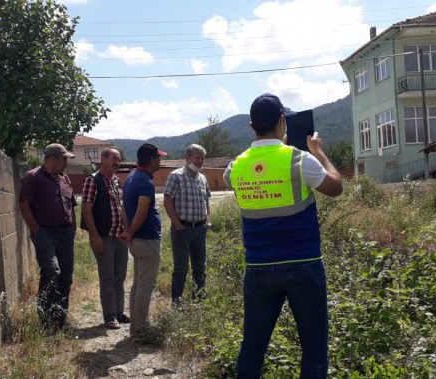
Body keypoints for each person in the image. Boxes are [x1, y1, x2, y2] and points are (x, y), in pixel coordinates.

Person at [223, 93, 343, 378]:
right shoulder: (300, 161)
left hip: (259, 269)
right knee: (313, 347)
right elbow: (336, 187)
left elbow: (250, 175)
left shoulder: (235, 167)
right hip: (304, 266)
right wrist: (319, 152)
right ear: (282, 121)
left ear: (252, 127)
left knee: (253, 345)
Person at [19, 143, 79, 331]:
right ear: (52, 159)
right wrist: (36, 230)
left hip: (66, 234)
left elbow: (71, 205)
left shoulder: (65, 178)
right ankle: (45, 320)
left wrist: (73, 227)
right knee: (52, 270)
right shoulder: (33, 177)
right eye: (64, 159)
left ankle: (60, 321)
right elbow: (23, 204)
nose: (66, 163)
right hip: (46, 233)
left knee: (66, 276)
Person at [81, 147, 131, 329]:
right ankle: (110, 315)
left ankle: (119, 312)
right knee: (107, 278)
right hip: (103, 237)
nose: (117, 162)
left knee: (120, 276)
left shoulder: (117, 182)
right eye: (113, 158)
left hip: (120, 238)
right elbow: (86, 209)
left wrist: (128, 231)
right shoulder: (93, 180)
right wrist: (94, 237)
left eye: (119, 159)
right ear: (103, 159)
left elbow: (122, 209)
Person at [122, 143, 167, 339]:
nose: (160, 161)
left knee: (137, 285)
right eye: (159, 158)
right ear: (152, 160)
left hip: (137, 240)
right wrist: (130, 231)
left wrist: (128, 231)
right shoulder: (146, 183)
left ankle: (135, 327)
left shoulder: (131, 177)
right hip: (146, 240)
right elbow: (141, 212)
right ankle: (141, 329)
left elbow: (124, 209)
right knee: (145, 287)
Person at [163, 144, 212, 306]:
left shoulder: (202, 178)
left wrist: (207, 220)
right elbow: (167, 201)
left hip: (199, 229)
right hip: (182, 230)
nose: (199, 161)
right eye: (196, 157)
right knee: (181, 269)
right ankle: (177, 302)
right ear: (188, 158)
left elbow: (207, 201)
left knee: (200, 268)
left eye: (201, 158)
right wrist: (177, 224)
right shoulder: (175, 176)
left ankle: (199, 301)